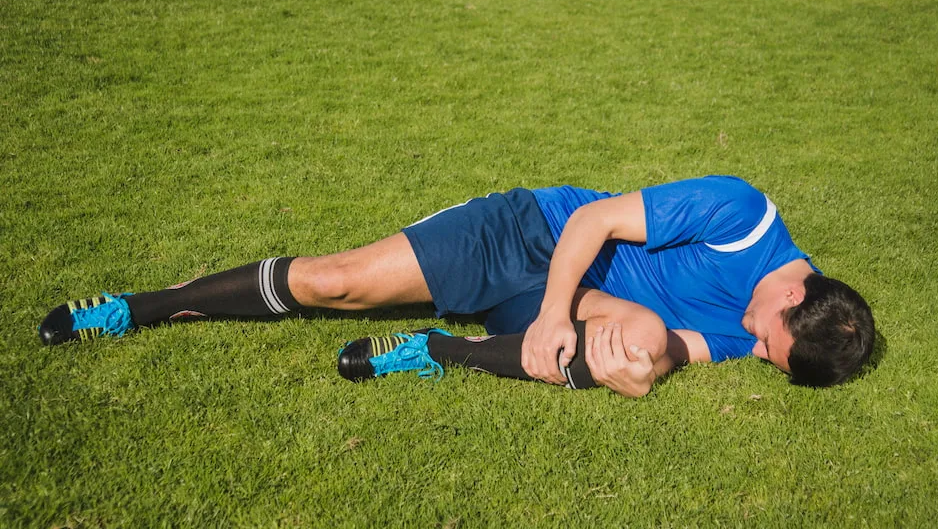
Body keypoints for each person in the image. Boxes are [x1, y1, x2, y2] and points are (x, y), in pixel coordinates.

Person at [38, 175, 875, 397]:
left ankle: (441, 352)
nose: (746, 341)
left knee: (651, 346)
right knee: (335, 283)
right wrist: (554, 317)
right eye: (763, 338)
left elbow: (670, 348)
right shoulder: (742, 216)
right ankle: (131, 308)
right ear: (795, 298)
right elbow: (592, 228)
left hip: (580, 306)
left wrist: (631, 367)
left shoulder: (761, 333)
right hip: (532, 234)